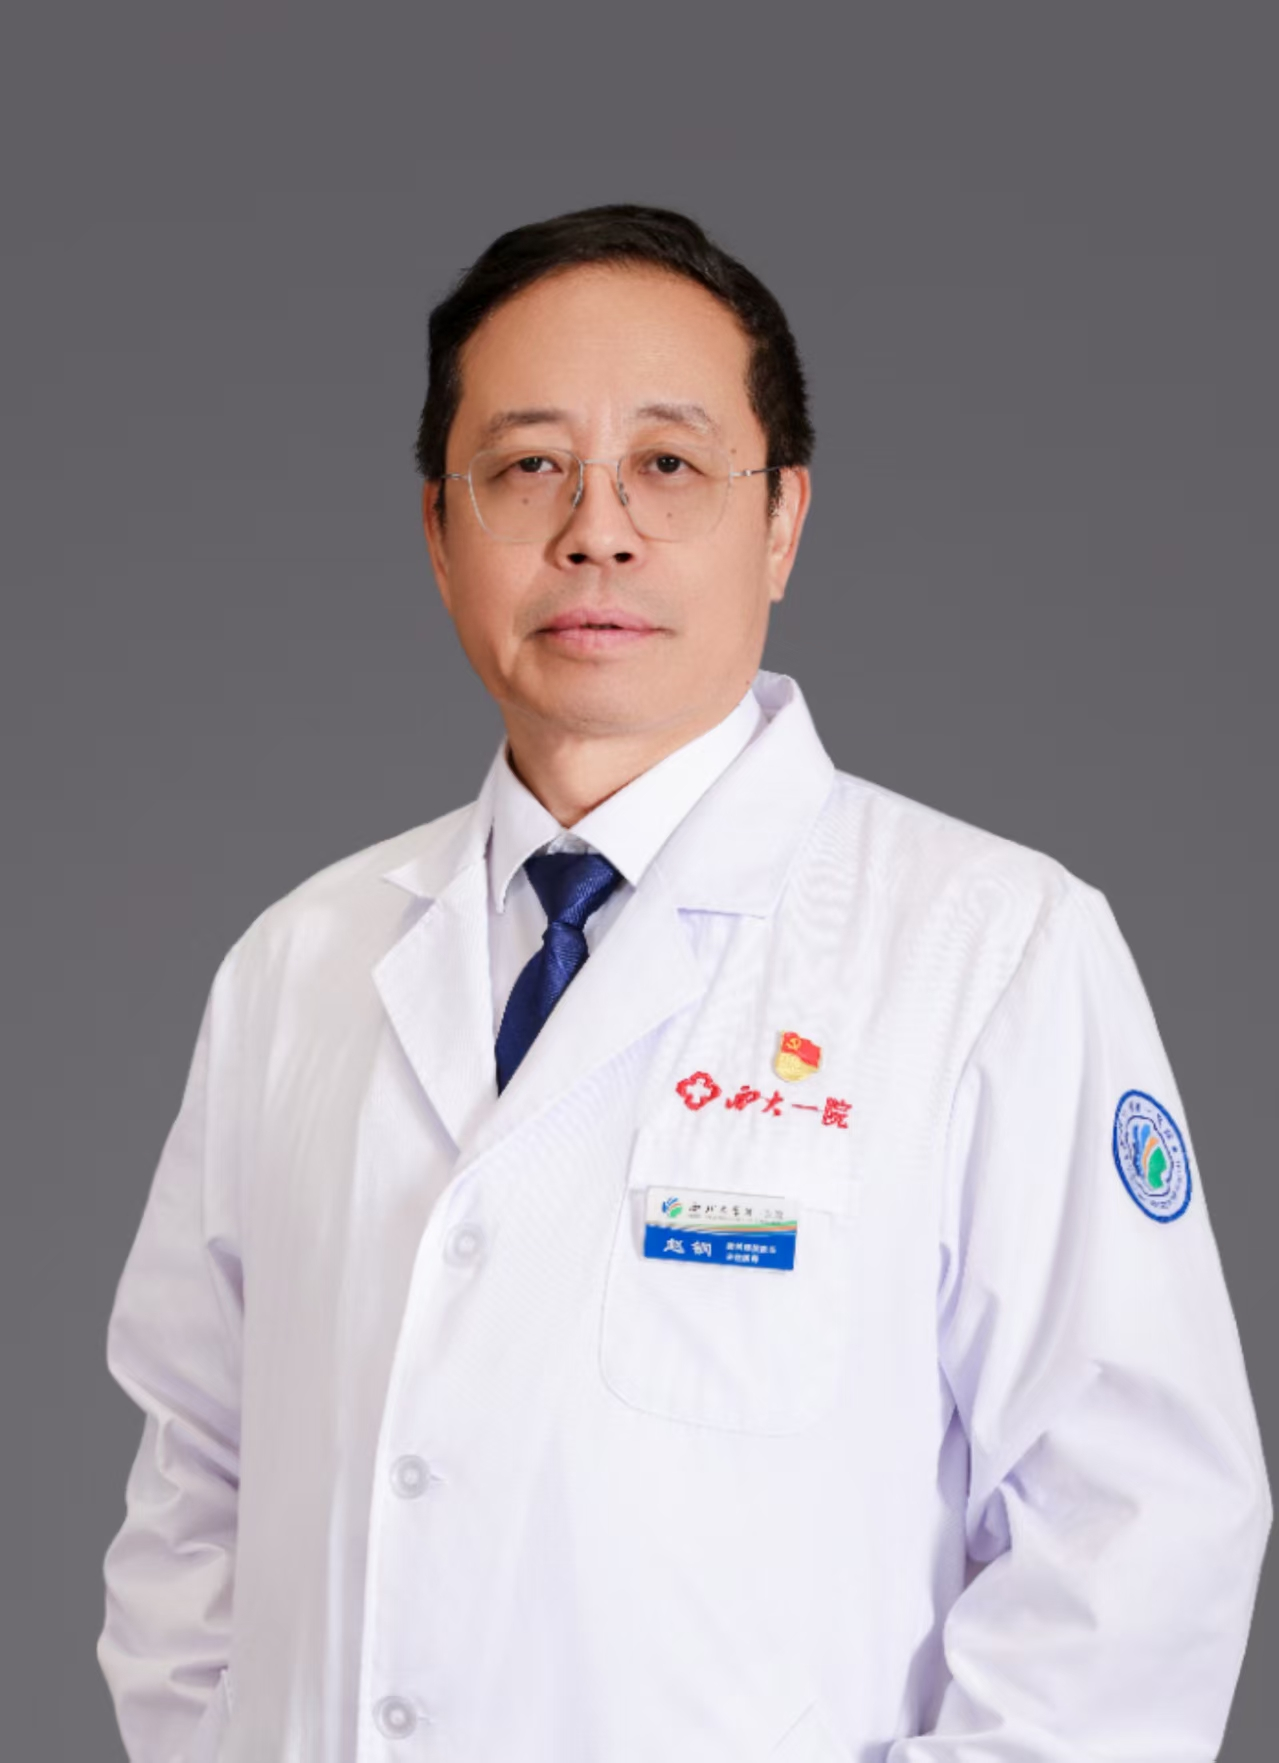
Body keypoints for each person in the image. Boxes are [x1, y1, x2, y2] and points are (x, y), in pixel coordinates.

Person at [97, 203, 1271, 1763]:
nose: (596, 530)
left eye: (667, 463)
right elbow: (193, 1485)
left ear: (781, 519)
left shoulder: (992, 947)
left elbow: (1140, 1535)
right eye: (527, 466)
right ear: (438, 527)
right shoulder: (299, 964)